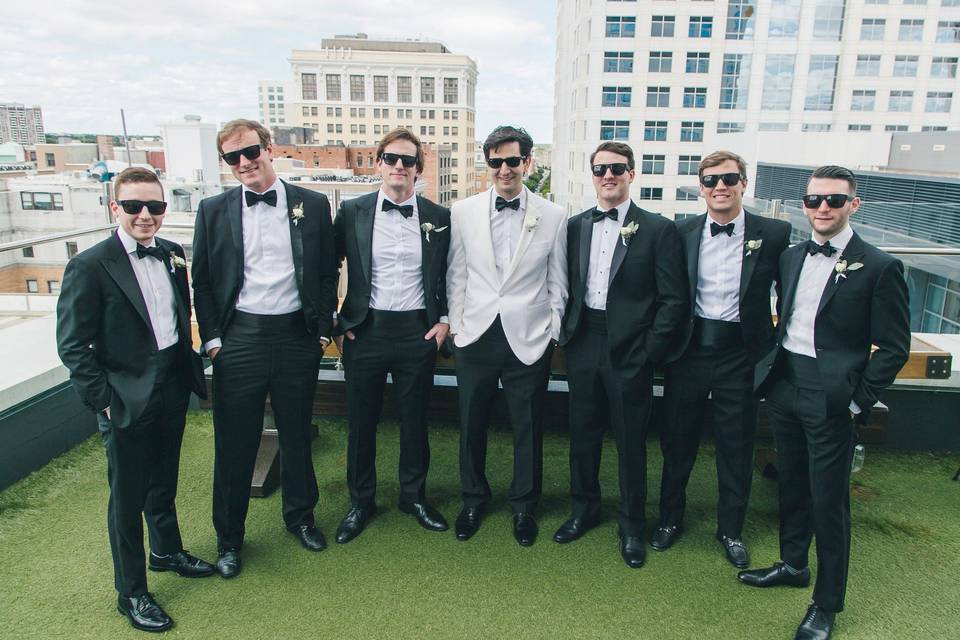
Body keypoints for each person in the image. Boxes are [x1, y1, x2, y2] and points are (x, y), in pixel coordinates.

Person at [740, 165, 910, 640]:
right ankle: (793, 565)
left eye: (834, 200)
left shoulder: (879, 266)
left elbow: (895, 347)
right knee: (792, 483)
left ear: (853, 204)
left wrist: (857, 402)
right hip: (785, 383)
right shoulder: (793, 256)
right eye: (814, 200)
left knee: (829, 502)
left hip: (833, 397)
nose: (822, 208)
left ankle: (826, 604)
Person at [56, 167, 214, 632]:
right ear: (114, 208)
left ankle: (166, 552)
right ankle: (132, 593)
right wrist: (104, 401)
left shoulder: (171, 253)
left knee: (164, 479)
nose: (145, 215)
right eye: (134, 206)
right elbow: (72, 344)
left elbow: (174, 318)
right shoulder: (89, 265)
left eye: (155, 206)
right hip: (123, 398)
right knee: (126, 499)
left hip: (170, 383)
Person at [191, 119, 338, 577]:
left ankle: (301, 518)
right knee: (235, 444)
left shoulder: (312, 205)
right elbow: (204, 281)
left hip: (297, 339)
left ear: (269, 148)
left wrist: (320, 331)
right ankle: (229, 539)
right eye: (232, 157)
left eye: (250, 151)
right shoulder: (211, 210)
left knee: (296, 434)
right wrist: (214, 341)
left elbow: (327, 270)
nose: (244, 163)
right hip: (240, 341)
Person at [654, 151, 791, 568]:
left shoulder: (774, 232)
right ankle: (669, 519)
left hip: (741, 355)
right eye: (711, 180)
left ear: (744, 184)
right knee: (678, 442)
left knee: (737, 446)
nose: (720, 186)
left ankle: (731, 529)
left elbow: (791, 293)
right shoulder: (681, 232)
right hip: (690, 351)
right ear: (701, 187)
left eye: (729, 178)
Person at [554, 141, 687, 568]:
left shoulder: (658, 229)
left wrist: (649, 350)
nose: (608, 176)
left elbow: (673, 300)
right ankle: (584, 509)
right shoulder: (574, 226)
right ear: (591, 175)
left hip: (631, 349)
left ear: (632, 174)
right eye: (600, 169)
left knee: (631, 441)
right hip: (583, 341)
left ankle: (632, 526)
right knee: (583, 435)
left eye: (617, 169)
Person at [446, 125, 567, 546]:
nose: (504, 169)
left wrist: (550, 329)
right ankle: (473, 499)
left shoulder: (553, 215)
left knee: (528, 426)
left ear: (527, 163)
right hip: (475, 334)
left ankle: (523, 507)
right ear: (488, 165)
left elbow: (559, 282)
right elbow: (457, 273)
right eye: (495, 162)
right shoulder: (462, 212)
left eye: (512, 161)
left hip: (529, 337)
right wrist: (458, 327)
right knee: (471, 422)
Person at [332, 128, 451, 543]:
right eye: (391, 158)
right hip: (365, 331)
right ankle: (360, 501)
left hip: (417, 333)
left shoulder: (439, 217)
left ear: (418, 169)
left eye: (408, 160)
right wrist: (338, 323)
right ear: (379, 162)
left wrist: (445, 321)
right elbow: (324, 266)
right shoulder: (353, 211)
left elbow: (451, 274)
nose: (399, 166)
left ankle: (413, 496)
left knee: (415, 421)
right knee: (361, 422)